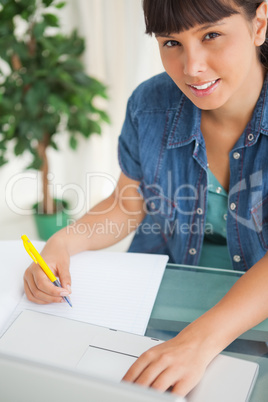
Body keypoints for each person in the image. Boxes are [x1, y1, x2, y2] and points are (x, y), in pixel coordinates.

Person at [24, 0, 268, 397]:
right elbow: (127, 202)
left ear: (259, 23)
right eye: (171, 42)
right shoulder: (151, 105)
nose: (192, 68)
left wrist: (198, 342)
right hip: (163, 306)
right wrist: (66, 241)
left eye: (211, 35)